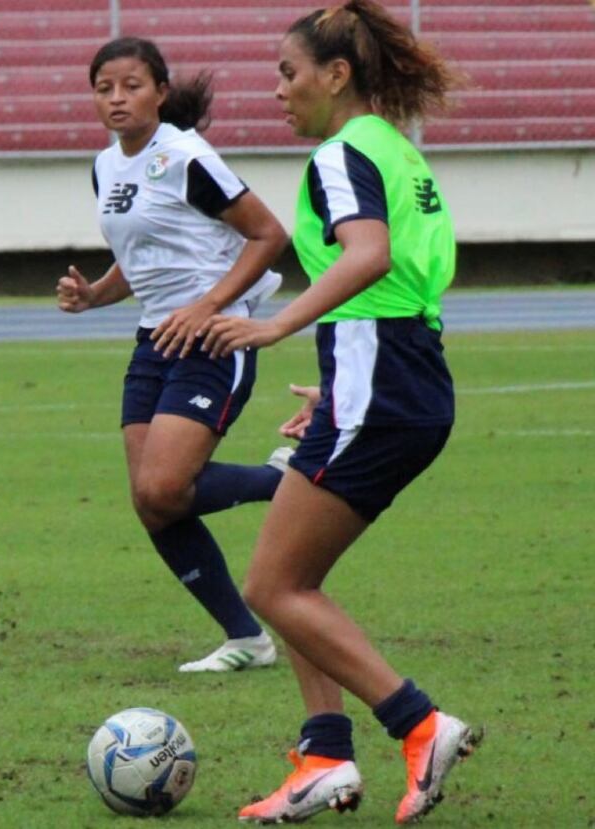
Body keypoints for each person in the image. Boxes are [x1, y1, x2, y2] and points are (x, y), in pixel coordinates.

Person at [196, 1, 481, 823]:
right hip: (395, 373)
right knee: (292, 578)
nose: (278, 91)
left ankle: (420, 723)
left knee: (273, 584)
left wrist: (276, 325)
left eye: (289, 73)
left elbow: (369, 256)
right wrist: (339, 382)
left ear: (336, 74)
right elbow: (404, 279)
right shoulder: (394, 148)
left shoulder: (339, 153)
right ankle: (324, 754)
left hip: (380, 379)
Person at [57, 37, 290, 673]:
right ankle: (246, 638)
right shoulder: (106, 166)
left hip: (214, 338)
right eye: (104, 88)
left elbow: (268, 235)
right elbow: (142, 257)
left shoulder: (187, 157)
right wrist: (94, 294)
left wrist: (209, 305)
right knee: (152, 502)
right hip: (154, 340)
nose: (116, 98)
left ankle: (286, 480)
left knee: (164, 486)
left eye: (131, 86)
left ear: (160, 92)